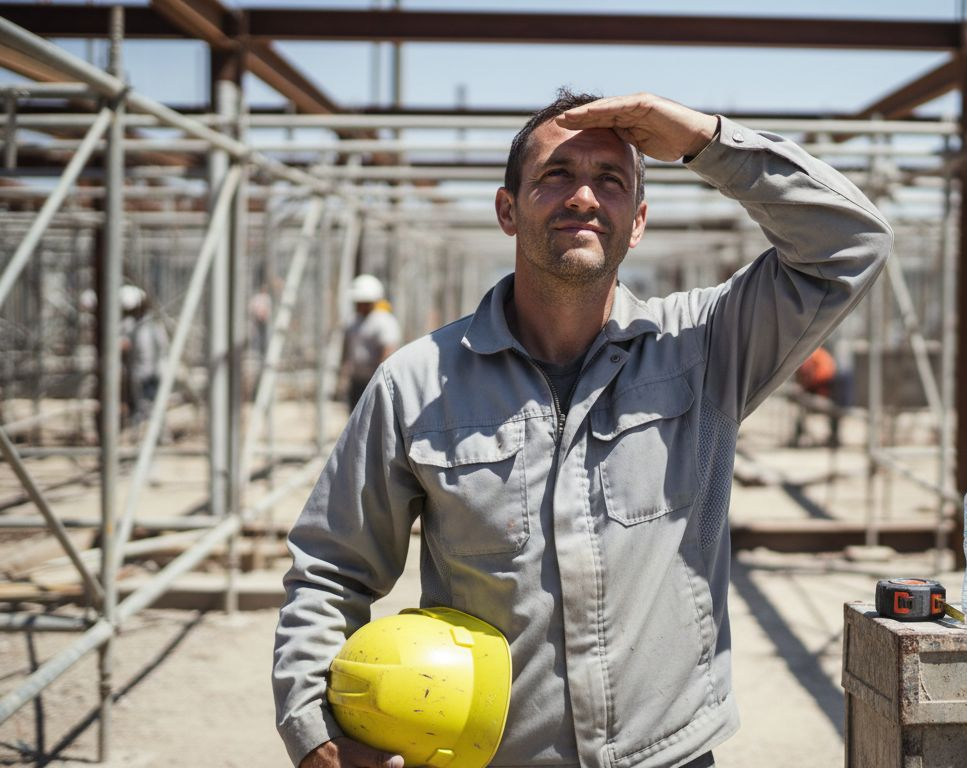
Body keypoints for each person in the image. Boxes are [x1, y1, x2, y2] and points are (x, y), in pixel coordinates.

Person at [273, 90, 892, 768]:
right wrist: (316, 732)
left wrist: (704, 140)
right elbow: (332, 569)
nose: (583, 198)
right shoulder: (419, 384)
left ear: (639, 220)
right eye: (556, 176)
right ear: (509, 210)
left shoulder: (706, 349)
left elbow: (851, 243)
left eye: (610, 180)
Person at [340, 274, 402, 412]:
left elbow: (388, 351)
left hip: (376, 381)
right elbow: (347, 349)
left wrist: (378, 380)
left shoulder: (383, 321)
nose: (358, 305)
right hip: (357, 380)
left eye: (362, 301)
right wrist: (343, 375)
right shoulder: (353, 322)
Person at [119, 285, 167, 428]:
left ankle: (145, 435)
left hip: (144, 372)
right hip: (154, 370)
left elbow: (124, 345)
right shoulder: (153, 323)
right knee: (153, 405)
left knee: (145, 406)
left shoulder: (137, 325)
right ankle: (156, 434)